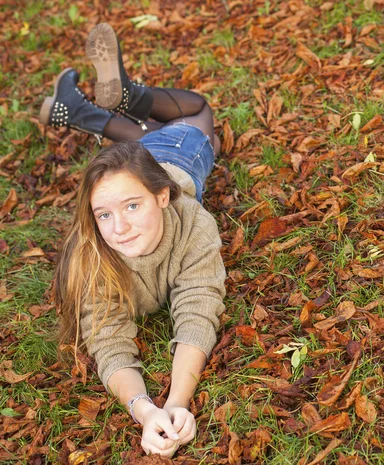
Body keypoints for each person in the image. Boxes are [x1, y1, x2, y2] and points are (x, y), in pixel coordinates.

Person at [42, 23, 226, 457]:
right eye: (104, 214)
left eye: (132, 207)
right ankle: (115, 100)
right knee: (200, 120)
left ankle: (95, 107)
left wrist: (178, 403)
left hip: (177, 162)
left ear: (161, 197)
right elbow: (108, 342)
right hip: (147, 162)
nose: (119, 229)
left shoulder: (192, 222)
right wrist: (146, 411)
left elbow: (199, 310)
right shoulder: (93, 254)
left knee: (196, 128)